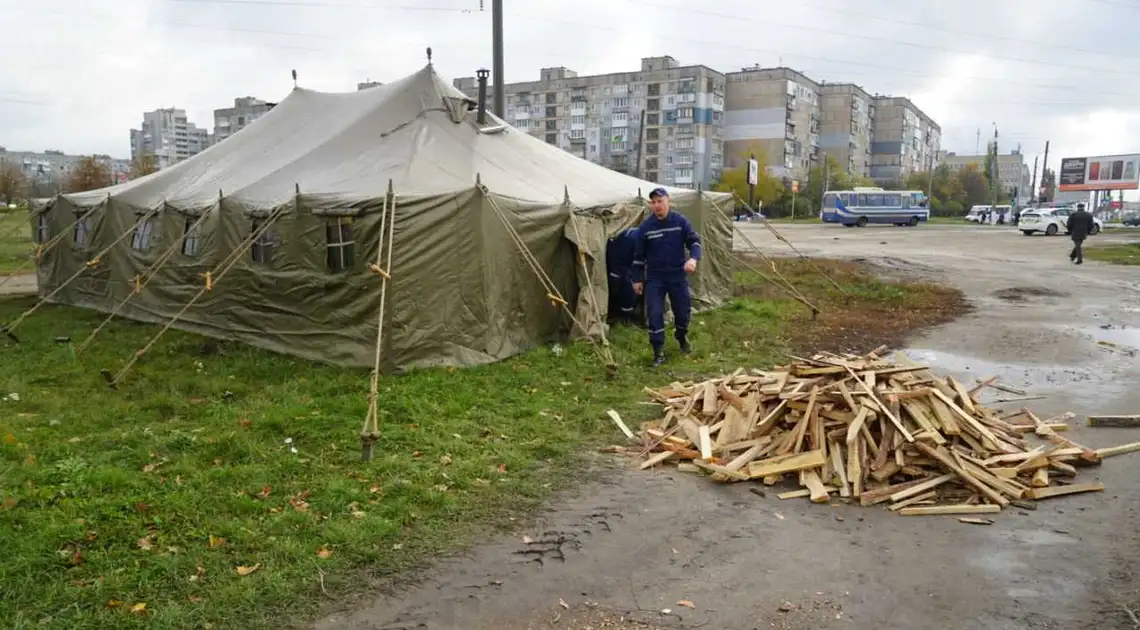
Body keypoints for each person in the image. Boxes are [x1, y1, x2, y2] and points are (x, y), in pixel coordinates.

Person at [632, 187, 702, 367]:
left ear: (668, 201)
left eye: (660, 201)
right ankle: (658, 351)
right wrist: (637, 279)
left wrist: (693, 259)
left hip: (677, 276)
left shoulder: (680, 222)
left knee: (683, 312)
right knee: (654, 313)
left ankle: (681, 335)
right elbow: (638, 256)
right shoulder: (646, 227)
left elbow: (694, 243)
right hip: (655, 278)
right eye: (653, 202)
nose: (656, 206)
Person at [605, 227, 639, 324]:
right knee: (624, 283)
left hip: (626, 264)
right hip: (617, 266)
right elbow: (618, 263)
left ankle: (626, 314)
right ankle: (622, 316)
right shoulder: (630, 239)